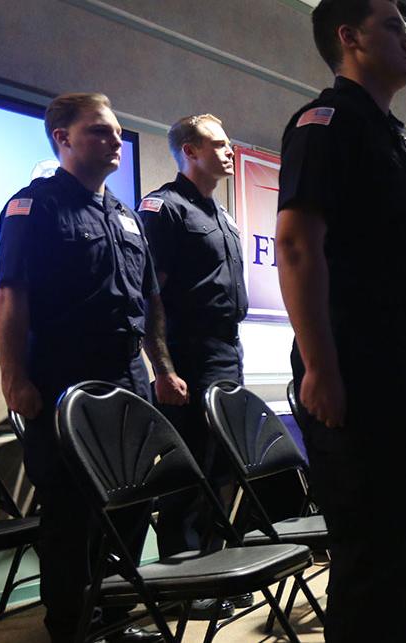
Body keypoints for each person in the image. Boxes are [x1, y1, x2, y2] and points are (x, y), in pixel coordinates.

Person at [275, 1, 406, 640]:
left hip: (403, 362)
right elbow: (296, 244)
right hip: (357, 363)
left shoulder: (386, 134)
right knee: (371, 556)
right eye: (394, 27)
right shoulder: (327, 123)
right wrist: (320, 365)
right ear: (349, 38)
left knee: (405, 547)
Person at [0, 92, 175, 642]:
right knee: (71, 513)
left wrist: (162, 368)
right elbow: (11, 295)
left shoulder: (124, 215)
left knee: (133, 499)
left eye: (117, 132)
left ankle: (113, 616)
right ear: (63, 139)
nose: (114, 140)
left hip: (128, 378)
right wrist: (13, 378)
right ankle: (72, 627)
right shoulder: (33, 205)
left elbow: (150, 302)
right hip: (60, 375)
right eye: (99, 131)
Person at [138, 114, 250, 617]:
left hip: (228, 351)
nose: (229, 151)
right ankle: (185, 581)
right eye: (218, 144)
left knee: (223, 467)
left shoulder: (221, 216)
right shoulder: (166, 208)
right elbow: (152, 294)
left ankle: (215, 568)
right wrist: (162, 366)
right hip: (189, 352)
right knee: (190, 471)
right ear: (189, 149)